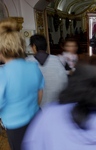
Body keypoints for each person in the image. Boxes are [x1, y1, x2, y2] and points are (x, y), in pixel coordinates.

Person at [0, 19, 45, 150]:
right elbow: (40, 92)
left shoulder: (2, 73)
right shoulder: (33, 67)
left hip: (15, 125)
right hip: (36, 117)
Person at [27, 34, 67, 108]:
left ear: (34, 46)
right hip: (55, 103)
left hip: (35, 105)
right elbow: (64, 81)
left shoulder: (28, 62)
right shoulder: (56, 59)